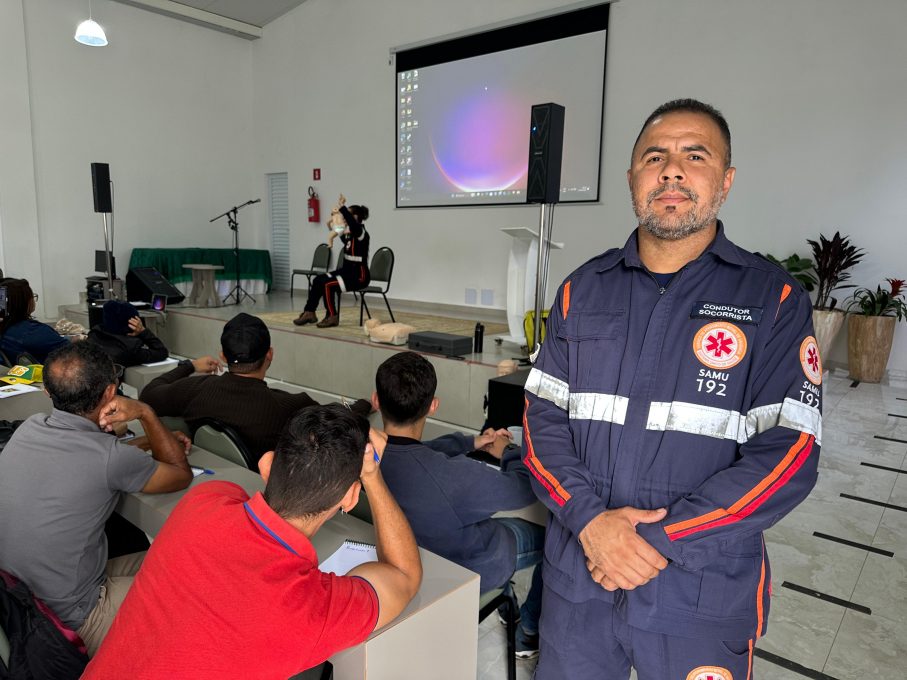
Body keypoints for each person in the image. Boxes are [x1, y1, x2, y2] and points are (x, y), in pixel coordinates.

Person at [523, 99, 822, 680]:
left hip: (699, 591)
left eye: (695, 155)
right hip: (580, 580)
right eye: (654, 156)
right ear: (633, 177)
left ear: (726, 181)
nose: (672, 170)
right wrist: (592, 523)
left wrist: (660, 540)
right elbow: (541, 423)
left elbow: (789, 454)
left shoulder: (773, 301)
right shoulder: (580, 290)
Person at [84, 405, 423, 679]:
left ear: (266, 465)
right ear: (349, 498)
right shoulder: (311, 611)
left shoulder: (204, 501)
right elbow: (404, 575)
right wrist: (372, 475)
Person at [0, 341, 193, 655]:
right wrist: (144, 412)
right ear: (110, 393)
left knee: (175, 559)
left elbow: (89, 460)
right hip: (70, 617)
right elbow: (179, 473)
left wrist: (145, 443)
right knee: (190, 589)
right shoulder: (110, 459)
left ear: (48, 393)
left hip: (19, 597)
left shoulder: (30, 428)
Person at [372, 351, 544, 658]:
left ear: (376, 400)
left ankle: (510, 606)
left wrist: (469, 443)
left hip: (417, 555)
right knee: (555, 539)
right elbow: (523, 489)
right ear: (433, 405)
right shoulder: (454, 478)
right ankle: (528, 632)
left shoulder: (368, 459)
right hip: (468, 564)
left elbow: (416, 451)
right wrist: (509, 451)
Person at [140, 312, 370, 464]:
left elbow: (149, 395)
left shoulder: (196, 389)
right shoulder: (287, 406)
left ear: (223, 355)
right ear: (269, 354)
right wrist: (364, 405)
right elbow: (337, 421)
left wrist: (189, 365)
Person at [294, 193, 371, 328]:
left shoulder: (361, 233)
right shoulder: (349, 234)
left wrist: (342, 207)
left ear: (356, 217)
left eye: (348, 215)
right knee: (318, 280)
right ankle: (309, 312)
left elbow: (353, 225)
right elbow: (338, 230)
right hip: (347, 272)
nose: (345, 218)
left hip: (359, 276)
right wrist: (332, 221)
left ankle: (332, 316)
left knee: (328, 285)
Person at [0, 277, 68, 363]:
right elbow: (71, 350)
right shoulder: (34, 332)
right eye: (32, 296)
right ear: (22, 302)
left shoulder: (6, 330)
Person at [87, 299, 169, 368]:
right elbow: (161, 352)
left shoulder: (94, 335)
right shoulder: (130, 349)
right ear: (132, 324)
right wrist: (143, 331)